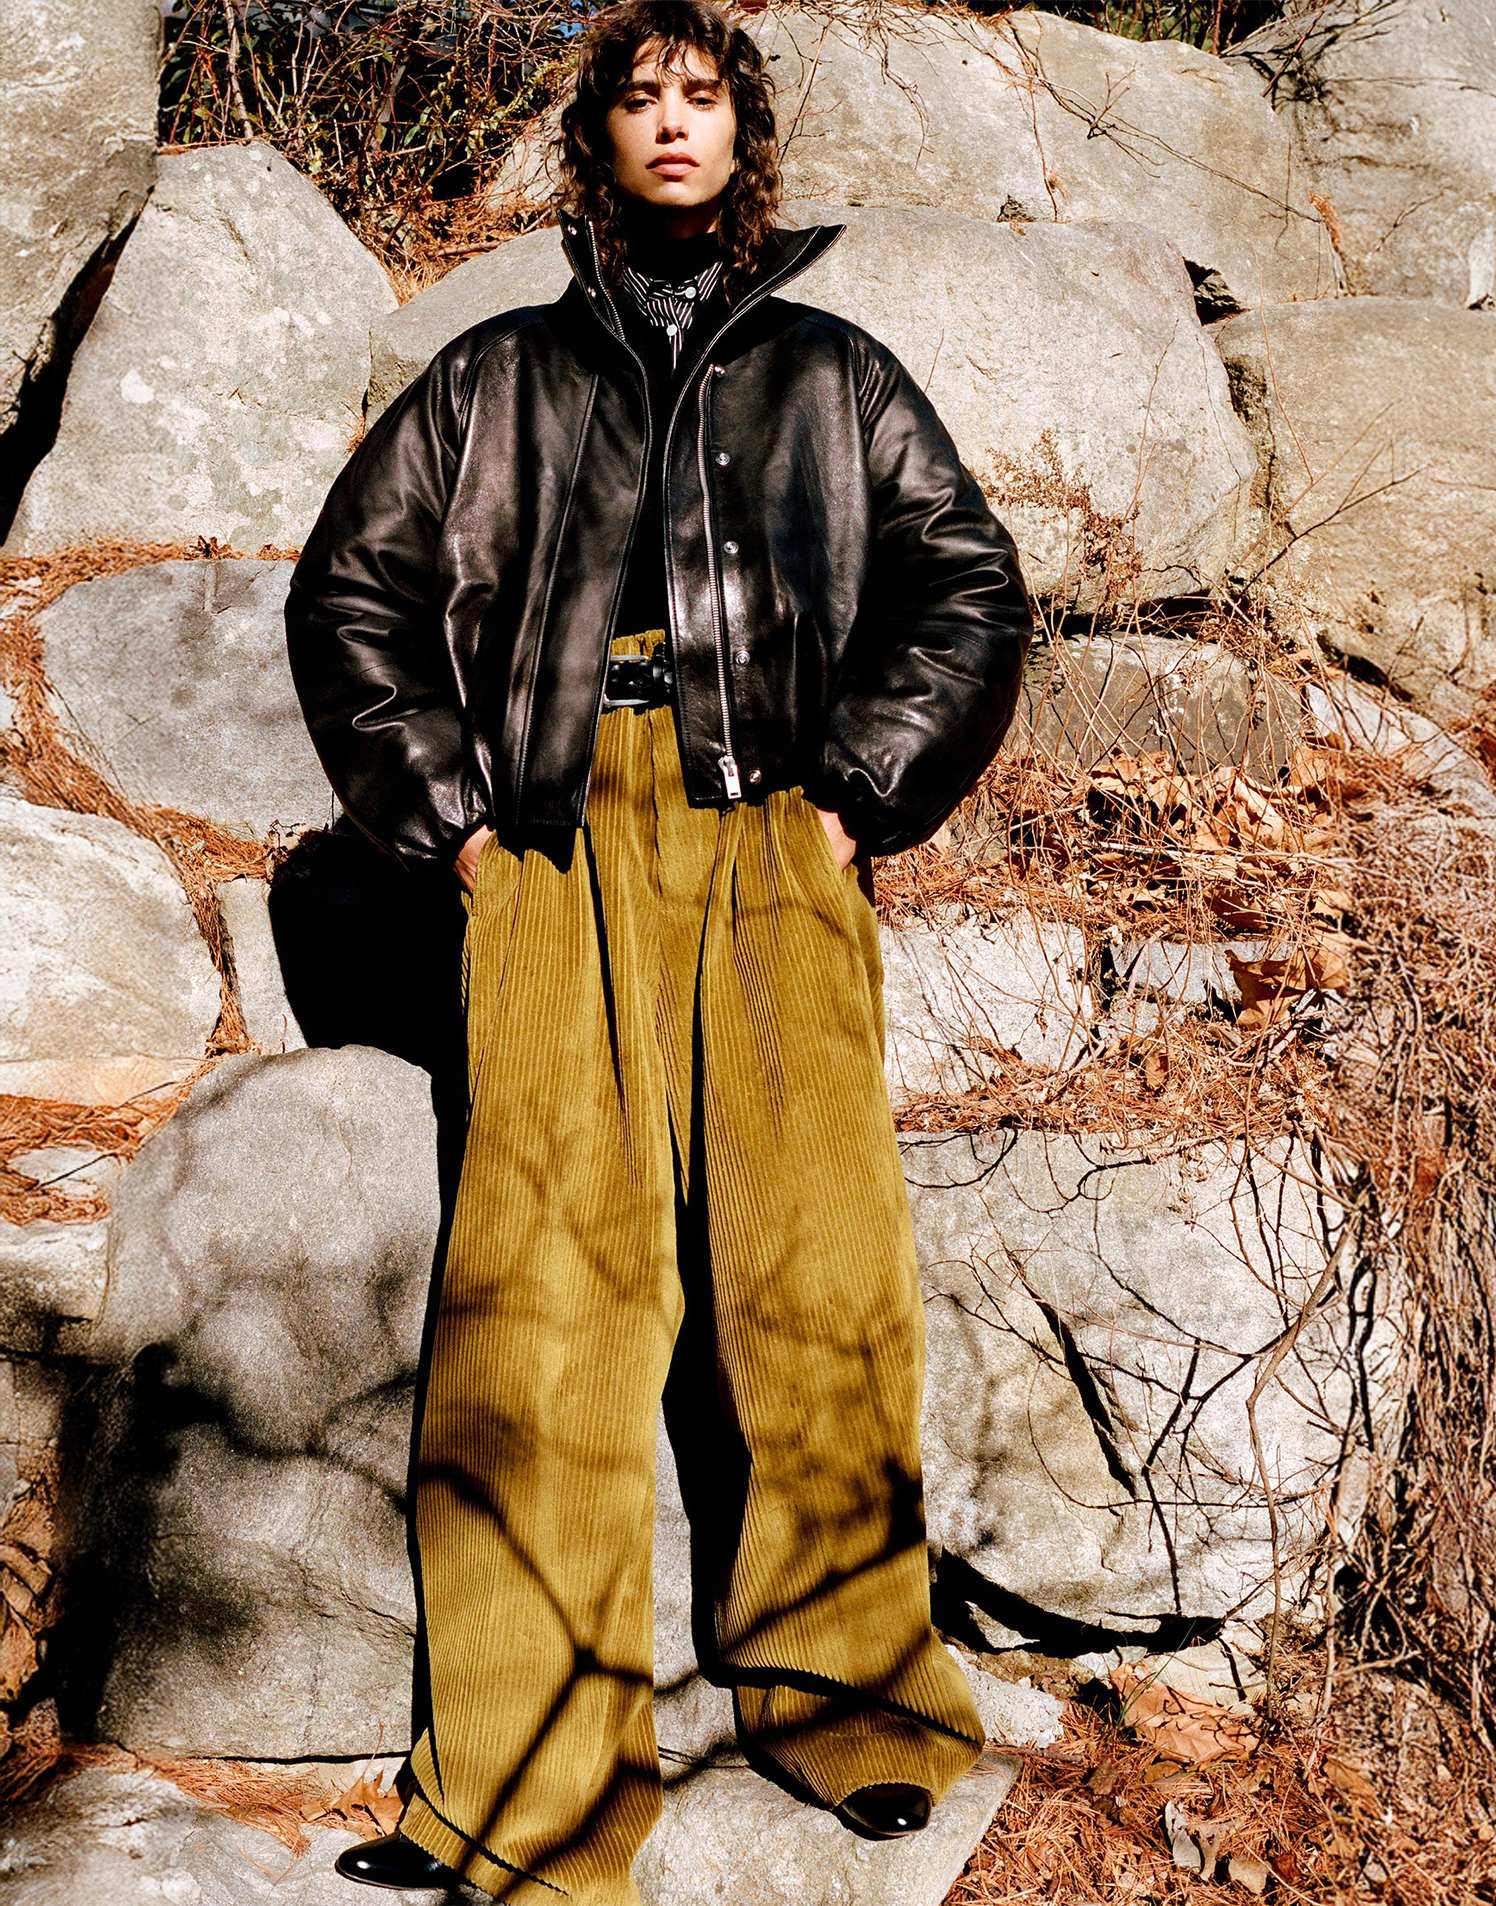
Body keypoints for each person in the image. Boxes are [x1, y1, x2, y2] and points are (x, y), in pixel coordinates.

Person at [284, 2, 1033, 1899]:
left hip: (780, 832)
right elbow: (350, 588)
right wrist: (448, 816)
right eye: (640, 99)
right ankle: (526, 1791)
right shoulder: (495, 379)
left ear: (744, 137)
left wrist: (863, 783)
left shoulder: (834, 375)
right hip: (554, 847)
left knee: (814, 1264)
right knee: (538, 1302)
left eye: (705, 98)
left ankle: (855, 1704)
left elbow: (966, 579)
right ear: (597, 143)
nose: (675, 127)